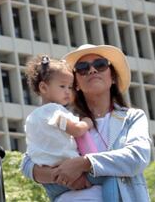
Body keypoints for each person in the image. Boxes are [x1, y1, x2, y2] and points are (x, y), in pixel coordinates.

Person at [20, 44, 152, 202]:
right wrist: (61, 175)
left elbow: (137, 157)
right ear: (76, 83)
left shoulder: (132, 117)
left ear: (113, 77)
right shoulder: (64, 117)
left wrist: (83, 163)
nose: (92, 70)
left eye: (100, 65)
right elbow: (28, 164)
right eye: (82, 68)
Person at [24, 55, 101, 200]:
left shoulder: (32, 117)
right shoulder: (54, 111)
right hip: (70, 171)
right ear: (43, 87)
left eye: (70, 87)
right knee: (109, 178)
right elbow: (76, 130)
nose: (68, 91)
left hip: (49, 178)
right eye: (62, 86)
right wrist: (87, 122)